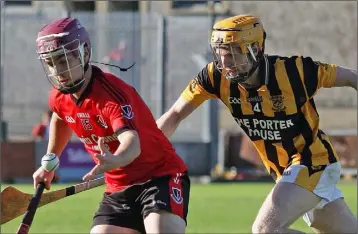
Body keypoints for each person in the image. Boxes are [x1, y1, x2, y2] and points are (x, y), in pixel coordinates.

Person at [157, 14, 357, 233]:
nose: (225, 63)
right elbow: (175, 114)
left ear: (256, 49)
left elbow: (352, 77)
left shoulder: (294, 71)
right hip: (285, 171)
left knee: (264, 230)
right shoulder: (215, 76)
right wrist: (145, 150)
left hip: (313, 161)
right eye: (221, 54)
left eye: (233, 53)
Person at [32, 17, 190, 234]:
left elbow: (132, 143)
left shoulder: (110, 96)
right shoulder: (59, 97)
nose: (58, 71)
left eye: (63, 61)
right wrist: (50, 164)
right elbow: (61, 117)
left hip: (160, 177)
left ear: (84, 53)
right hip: (118, 189)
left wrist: (115, 159)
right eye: (51, 63)